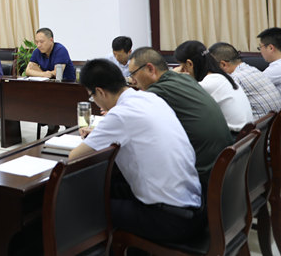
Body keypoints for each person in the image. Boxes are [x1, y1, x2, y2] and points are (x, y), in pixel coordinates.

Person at [70, 59, 203, 243]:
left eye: (92, 96)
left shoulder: (120, 114)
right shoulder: (151, 99)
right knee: (110, 187)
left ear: (100, 91)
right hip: (193, 207)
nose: (95, 101)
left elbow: (74, 158)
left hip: (170, 219)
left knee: (83, 205)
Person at [128, 47, 232, 181]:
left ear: (150, 69)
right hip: (224, 163)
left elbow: (131, 120)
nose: (133, 81)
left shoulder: (158, 92)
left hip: (203, 172)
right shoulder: (185, 78)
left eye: (133, 74)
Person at [174, 40, 252, 132]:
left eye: (183, 68)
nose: (183, 72)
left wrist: (173, 74)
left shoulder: (208, 83)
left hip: (235, 136)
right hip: (245, 135)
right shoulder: (220, 77)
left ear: (190, 64)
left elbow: (179, 99)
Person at [209, 41, 281, 119]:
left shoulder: (234, 79)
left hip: (260, 124)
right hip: (274, 122)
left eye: (212, 66)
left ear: (223, 64)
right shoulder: (252, 69)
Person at [258, 27, 281, 92]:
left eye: (260, 47)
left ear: (270, 48)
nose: (260, 51)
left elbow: (253, 84)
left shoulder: (277, 68)